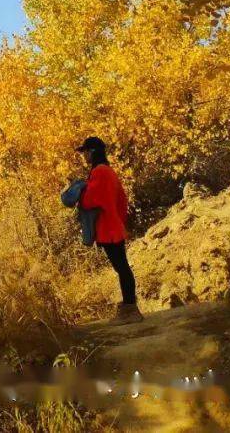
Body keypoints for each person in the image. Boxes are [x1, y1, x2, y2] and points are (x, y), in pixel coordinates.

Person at [76, 136, 143, 324]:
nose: (84, 156)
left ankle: (130, 310)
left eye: (86, 152)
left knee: (121, 267)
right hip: (114, 226)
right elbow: (122, 200)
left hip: (108, 229)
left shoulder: (99, 172)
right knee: (122, 267)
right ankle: (129, 307)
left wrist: (79, 193)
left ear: (93, 152)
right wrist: (120, 222)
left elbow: (90, 200)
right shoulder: (109, 172)